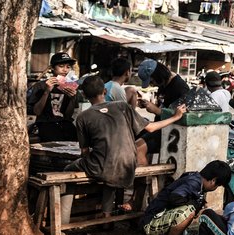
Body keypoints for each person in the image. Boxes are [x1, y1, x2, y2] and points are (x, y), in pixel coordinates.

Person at [62, 76, 186, 224]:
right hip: (128, 164)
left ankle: (63, 222)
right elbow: (151, 128)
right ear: (105, 91)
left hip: (103, 166)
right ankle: (106, 217)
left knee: (67, 170)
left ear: (84, 94)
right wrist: (175, 117)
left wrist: (89, 161)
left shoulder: (83, 117)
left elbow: (84, 152)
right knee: (109, 171)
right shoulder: (122, 106)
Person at [141, 160, 231, 235]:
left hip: (160, 218)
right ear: (213, 180)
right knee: (188, 211)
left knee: (193, 207)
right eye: (218, 185)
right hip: (150, 224)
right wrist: (193, 203)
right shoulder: (194, 182)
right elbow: (174, 197)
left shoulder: (197, 179)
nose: (216, 188)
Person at [136, 58, 190, 166]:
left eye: (152, 81)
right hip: (159, 126)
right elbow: (163, 105)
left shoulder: (180, 87)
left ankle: (144, 181)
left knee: (138, 149)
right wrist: (149, 105)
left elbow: (183, 115)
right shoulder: (163, 84)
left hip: (171, 131)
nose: (152, 84)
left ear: (158, 76)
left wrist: (157, 110)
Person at [27, 52, 78, 142]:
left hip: (65, 125)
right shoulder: (41, 86)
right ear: (52, 68)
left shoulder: (70, 85)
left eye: (68, 67)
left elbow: (68, 115)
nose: (65, 70)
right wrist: (47, 91)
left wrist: (72, 98)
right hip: (46, 124)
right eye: (61, 66)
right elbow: (37, 111)